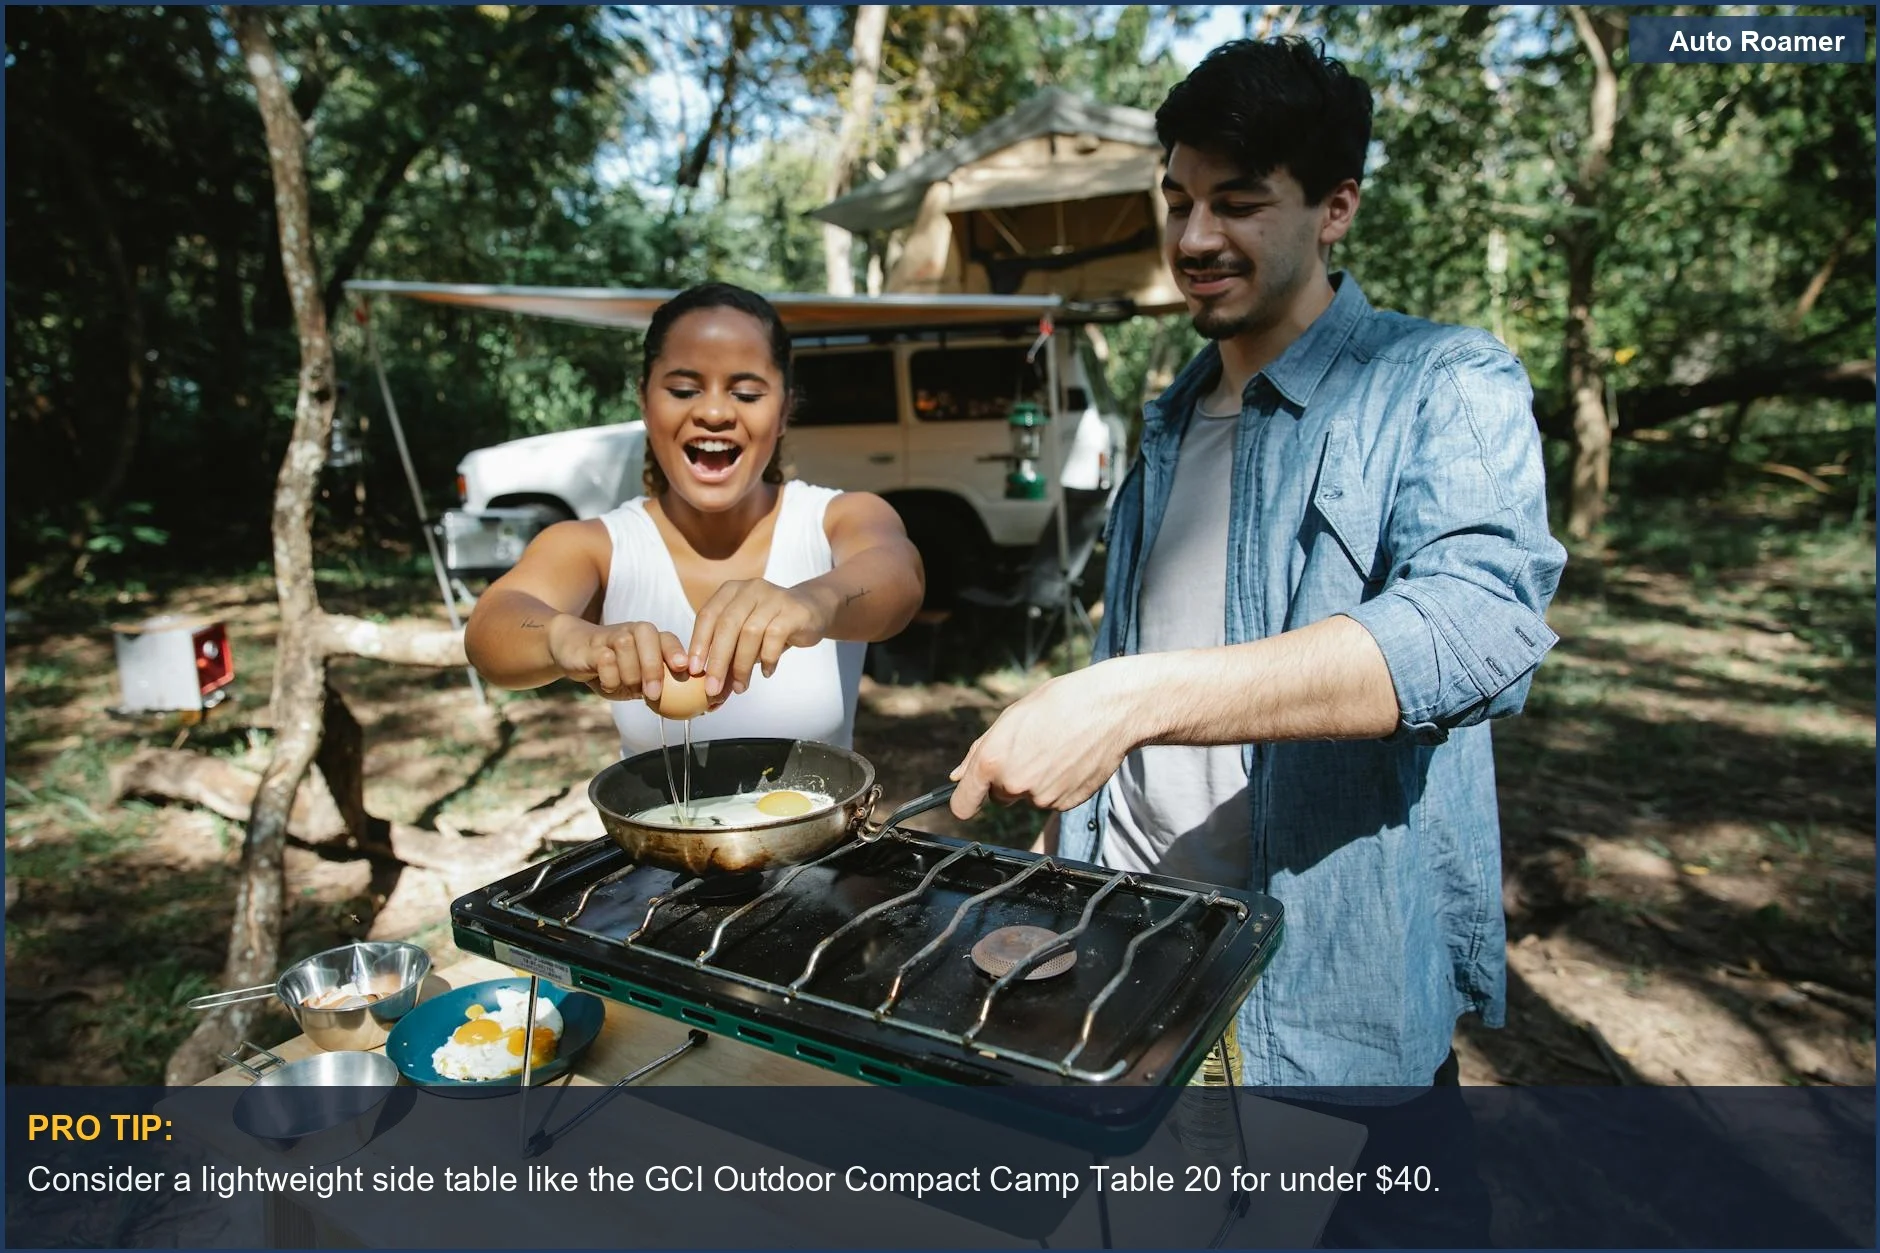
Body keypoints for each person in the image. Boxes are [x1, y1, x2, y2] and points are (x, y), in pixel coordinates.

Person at [948, 37, 1565, 1239]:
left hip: (1325, 991)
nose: (1191, 239)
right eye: (1176, 200)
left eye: (1238, 202)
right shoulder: (1170, 415)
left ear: (1334, 208)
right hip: (1136, 962)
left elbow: (1481, 622)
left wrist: (1132, 695)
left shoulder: (1440, 380)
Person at [465, 283, 925, 756]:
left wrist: (816, 600)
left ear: (785, 410)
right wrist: (565, 637)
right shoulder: (598, 546)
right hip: (653, 834)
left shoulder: (835, 518)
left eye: (746, 393)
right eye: (684, 390)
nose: (713, 412)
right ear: (644, 400)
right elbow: (490, 630)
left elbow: (899, 574)